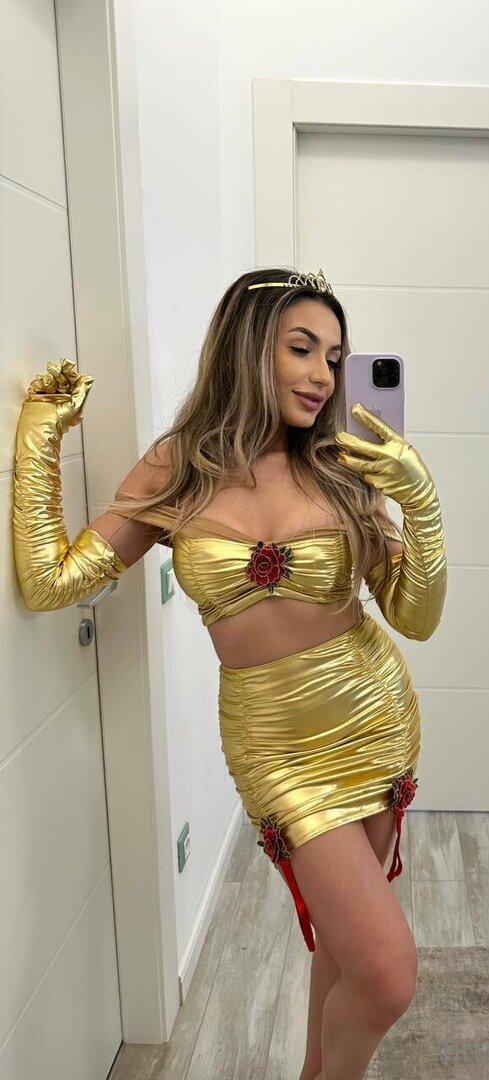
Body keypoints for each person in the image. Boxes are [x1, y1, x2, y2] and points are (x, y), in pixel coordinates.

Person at [11, 266, 447, 1080]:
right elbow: (52, 582)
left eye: (335, 357)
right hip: (276, 746)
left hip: (372, 718)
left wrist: (418, 502)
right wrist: (40, 436)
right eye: (302, 349)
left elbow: (415, 617)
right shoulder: (177, 467)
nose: (323, 376)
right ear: (249, 348)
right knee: (387, 975)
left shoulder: (347, 462)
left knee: (349, 951)